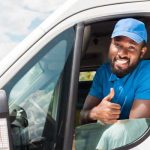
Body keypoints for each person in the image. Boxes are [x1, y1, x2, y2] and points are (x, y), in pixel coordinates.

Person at [80, 18, 150, 125]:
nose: (122, 53)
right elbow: (82, 116)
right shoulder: (103, 72)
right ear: (110, 45)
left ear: (142, 52)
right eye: (117, 45)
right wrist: (95, 113)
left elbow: (136, 128)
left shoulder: (147, 71)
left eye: (131, 47)